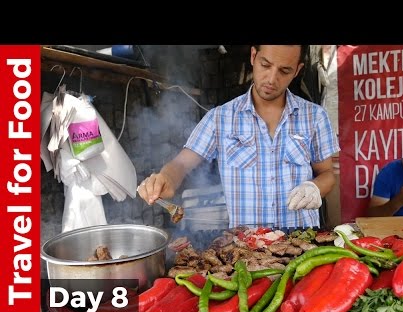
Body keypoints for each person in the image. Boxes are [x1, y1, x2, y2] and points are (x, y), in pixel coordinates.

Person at [137, 45, 340, 228]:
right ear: (253, 56)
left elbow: (327, 174)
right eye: (265, 65)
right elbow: (181, 165)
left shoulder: (315, 116)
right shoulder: (220, 118)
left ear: (297, 70)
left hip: (302, 244)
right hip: (245, 250)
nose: (271, 78)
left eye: (284, 71)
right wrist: (165, 178)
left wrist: (313, 187)